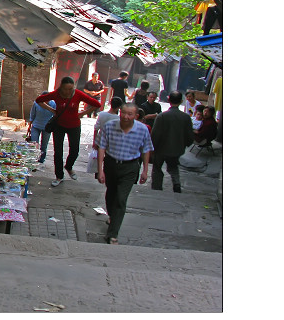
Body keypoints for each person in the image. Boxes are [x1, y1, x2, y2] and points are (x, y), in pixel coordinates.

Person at [95, 103, 154, 244]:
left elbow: (146, 150)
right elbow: (101, 147)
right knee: (111, 194)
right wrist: (100, 170)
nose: (126, 117)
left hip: (130, 166)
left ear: (136, 116)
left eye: (130, 114)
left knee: (121, 198)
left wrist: (145, 170)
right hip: (111, 164)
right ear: (119, 112)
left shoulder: (142, 130)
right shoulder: (109, 126)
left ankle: (112, 234)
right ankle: (112, 216)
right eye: (123, 113)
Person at [35, 76, 102, 187]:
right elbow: (39, 100)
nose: (67, 91)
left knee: (75, 151)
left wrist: (82, 114)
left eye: (70, 89)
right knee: (58, 152)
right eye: (65, 89)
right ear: (61, 87)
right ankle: (59, 176)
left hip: (74, 126)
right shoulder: (56, 94)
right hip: (59, 126)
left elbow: (97, 104)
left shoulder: (78, 94)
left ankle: (69, 167)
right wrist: (52, 110)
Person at [150, 91, 195, 193]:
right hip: (176, 149)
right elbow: (189, 135)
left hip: (161, 148)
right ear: (181, 101)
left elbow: (155, 134)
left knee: (157, 168)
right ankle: (176, 183)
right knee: (174, 167)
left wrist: (152, 147)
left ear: (169, 100)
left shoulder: (161, 116)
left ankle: (157, 187)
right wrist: (185, 144)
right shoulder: (186, 117)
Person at [26, 92, 56, 163]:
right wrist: (29, 126)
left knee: (44, 145)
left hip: (47, 127)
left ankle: (41, 159)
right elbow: (32, 114)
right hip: (36, 126)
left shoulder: (53, 104)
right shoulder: (37, 103)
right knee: (34, 143)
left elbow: (56, 114)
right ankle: (33, 158)